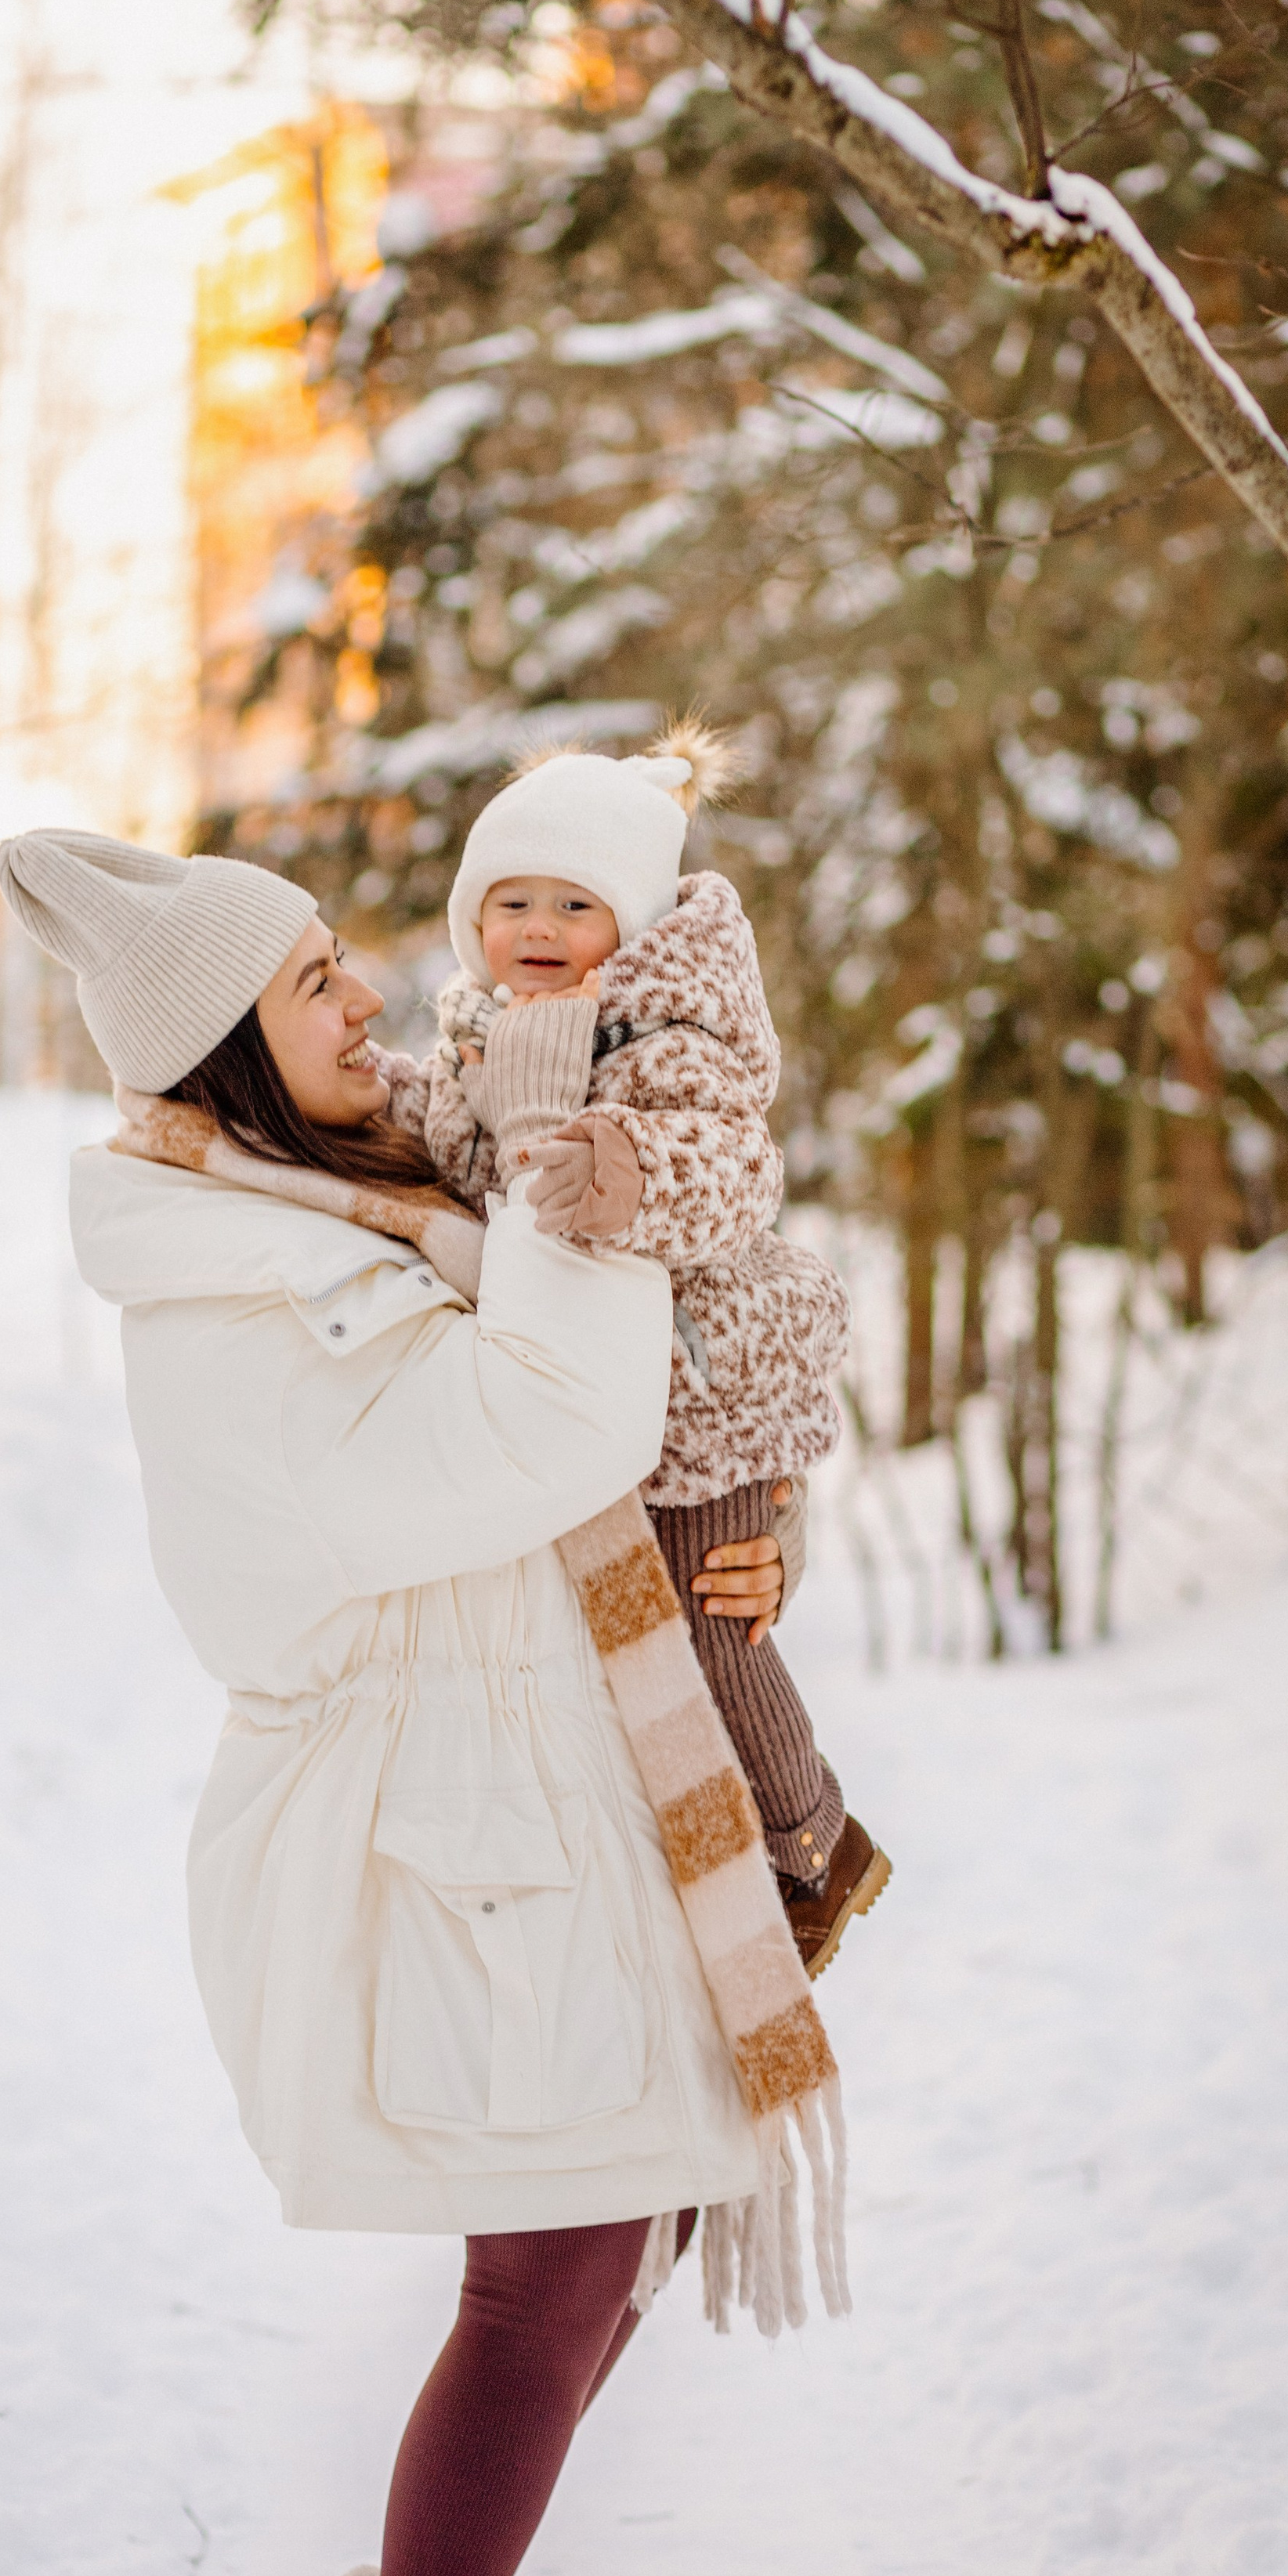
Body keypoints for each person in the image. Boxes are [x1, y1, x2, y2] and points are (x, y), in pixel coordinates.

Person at [0, 828, 798, 2576]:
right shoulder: (244, 1296)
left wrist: (741, 1540)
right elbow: (548, 1416)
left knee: (620, 2234)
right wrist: (563, 1176)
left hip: (525, 1794)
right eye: (311, 984)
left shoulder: (345, 1206)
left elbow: (624, 1433)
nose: (368, 997)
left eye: (348, 962)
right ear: (225, 1053)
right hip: (445, 1838)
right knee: (557, 2264)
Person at [412, 730, 889, 1978]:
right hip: (600, 1420)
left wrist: (621, 1173)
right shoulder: (475, 1035)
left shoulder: (671, 1036)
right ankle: (713, 1870)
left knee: (710, 1638)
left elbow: (734, 1172)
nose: (537, 925)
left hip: (703, 1405)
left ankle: (808, 1845)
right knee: (644, 1662)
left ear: (632, 923)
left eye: (575, 904)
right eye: (510, 901)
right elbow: (452, 1154)